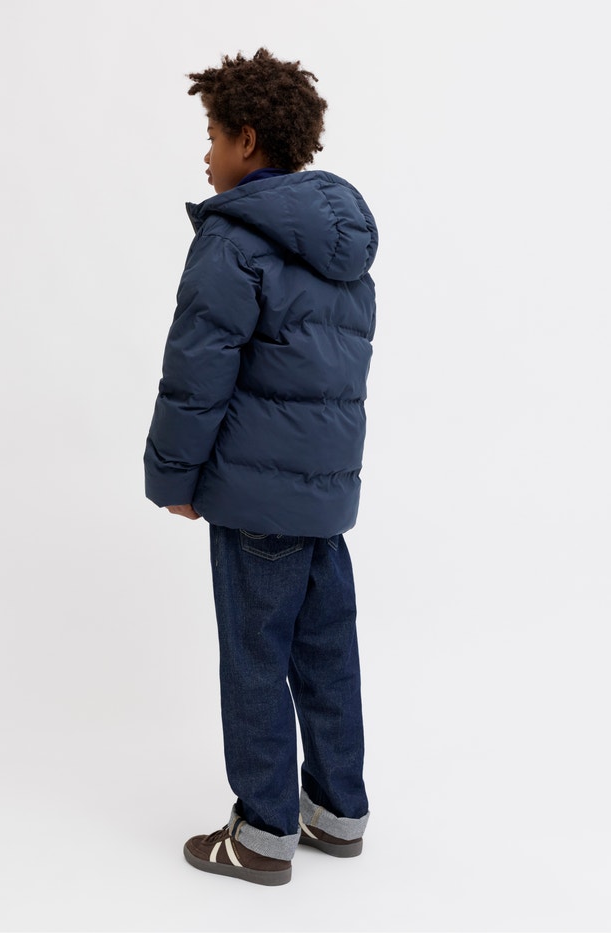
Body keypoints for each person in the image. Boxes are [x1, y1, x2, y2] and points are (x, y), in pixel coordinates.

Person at [144, 48, 378, 886]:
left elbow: (197, 370)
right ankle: (337, 812)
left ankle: (263, 832)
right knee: (326, 652)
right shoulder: (346, 249)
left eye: (212, 135)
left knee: (254, 657)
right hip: (324, 499)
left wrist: (173, 479)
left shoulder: (233, 237)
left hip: (253, 499)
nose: (206, 155)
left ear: (247, 139)